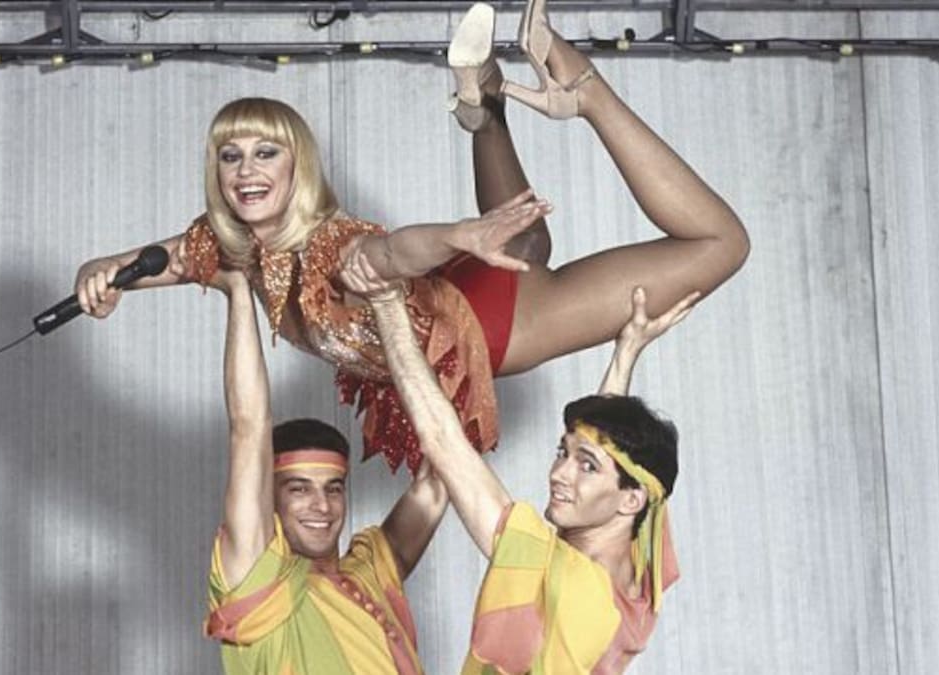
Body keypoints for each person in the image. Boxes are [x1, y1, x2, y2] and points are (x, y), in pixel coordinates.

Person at [73, 2, 747, 472]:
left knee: (720, 245)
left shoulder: (325, 242)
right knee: (528, 249)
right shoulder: (239, 245)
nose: (247, 171)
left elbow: (387, 253)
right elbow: (168, 259)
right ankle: (483, 105)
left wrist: (459, 234)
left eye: (265, 154)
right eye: (232, 156)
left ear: (297, 167)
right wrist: (104, 269)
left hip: (476, 326)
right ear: (216, 172)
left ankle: (586, 92)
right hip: (450, 293)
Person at [358, 262, 695, 672]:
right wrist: (625, 355)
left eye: (585, 467)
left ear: (631, 501)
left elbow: (443, 441)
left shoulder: (563, 577)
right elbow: (614, 469)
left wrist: (386, 302)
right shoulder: (638, 574)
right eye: (562, 452)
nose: (559, 474)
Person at [201, 267, 445, 674]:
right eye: (299, 489)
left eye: (333, 488)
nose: (322, 505)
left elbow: (437, 479)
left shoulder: (370, 572)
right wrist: (238, 290)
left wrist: (440, 334)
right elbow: (248, 426)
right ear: (268, 499)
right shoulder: (258, 584)